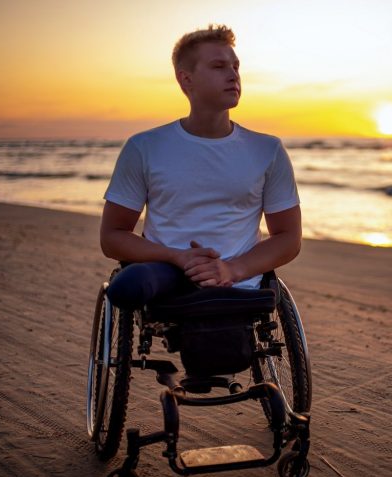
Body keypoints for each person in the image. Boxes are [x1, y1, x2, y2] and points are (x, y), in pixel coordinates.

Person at [100, 24, 301, 310]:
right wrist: (178, 257)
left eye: (236, 66)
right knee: (125, 288)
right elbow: (112, 236)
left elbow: (289, 238)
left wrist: (232, 269)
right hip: (168, 273)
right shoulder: (145, 147)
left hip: (237, 281)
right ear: (186, 80)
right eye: (219, 66)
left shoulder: (267, 150)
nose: (233, 75)